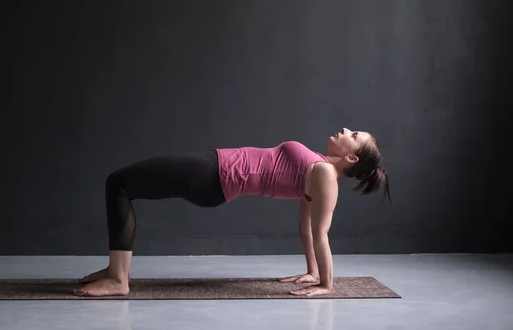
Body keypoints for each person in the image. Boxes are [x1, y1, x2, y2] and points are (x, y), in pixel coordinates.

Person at [74, 127, 390, 297]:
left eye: (355, 136)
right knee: (122, 184)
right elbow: (305, 228)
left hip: (215, 175)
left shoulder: (323, 175)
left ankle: (118, 278)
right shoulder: (319, 169)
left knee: (120, 184)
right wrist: (313, 271)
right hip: (216, 170)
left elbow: (320, 233)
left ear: (351, 160)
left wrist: (326, 285)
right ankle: (116, 272)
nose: (346, 130)